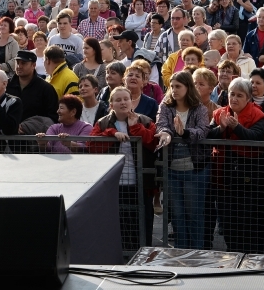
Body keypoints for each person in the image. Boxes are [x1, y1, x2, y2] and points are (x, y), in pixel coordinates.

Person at [88, 86, 157, 251]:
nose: (123, 102)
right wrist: (111, 134)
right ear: (111, 104)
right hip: (114, 183)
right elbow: (91, 145)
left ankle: (143, 254)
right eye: (118, 100)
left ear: (131, 101)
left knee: (142, 221)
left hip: (141, 182)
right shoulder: (103, 123)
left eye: (126, 99)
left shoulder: (145, 120)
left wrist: (135, 128)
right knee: (118, 221)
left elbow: (152, 143)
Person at [206, 78, 264, 253]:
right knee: (228, 224)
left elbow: (257, 137)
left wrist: (237, 128)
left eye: (239, 95)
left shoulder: (258, 115)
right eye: (232, 94)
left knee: (250, 224)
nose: (234, 98)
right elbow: (208, 135)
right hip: (224, 178)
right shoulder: (220, 113)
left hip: (249, 178)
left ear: (248, 98)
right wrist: (220, 128)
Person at [155, 71, 210, 249]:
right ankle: (181, 252)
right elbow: (161, 123)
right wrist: (166, 132)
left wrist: (184, 133)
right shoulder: (166, 106)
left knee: (194, 215)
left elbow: (202, 131)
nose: (174, 90)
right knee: (177, 215)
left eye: (178, 86)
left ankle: (197, 252)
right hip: (173, 170)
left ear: (188, 87)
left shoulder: (199, 108)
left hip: (195, 170)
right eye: (172, 86)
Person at [6, 50, 59, 122]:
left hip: (34, 132)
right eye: (17, 63)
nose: (19, 66)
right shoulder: (6, 85)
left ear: (33, 65)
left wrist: (32, 126)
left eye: (23, 63)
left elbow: (53, 117)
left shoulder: (45, 88)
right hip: (7, 132)